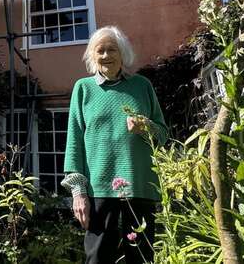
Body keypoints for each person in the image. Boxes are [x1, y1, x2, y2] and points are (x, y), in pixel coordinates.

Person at [61, 26, 168, 264]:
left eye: (112, 49)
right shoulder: (83, 88)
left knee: (140, 257)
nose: (106, 55)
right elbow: (74, 142)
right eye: (100, 51)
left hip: (139, 186)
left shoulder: (142, 86)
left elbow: (163, 135)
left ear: (123, 54)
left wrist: (146, 126)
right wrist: (78, 193)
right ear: (92, 56)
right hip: (99, 188)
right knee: (98, 257)